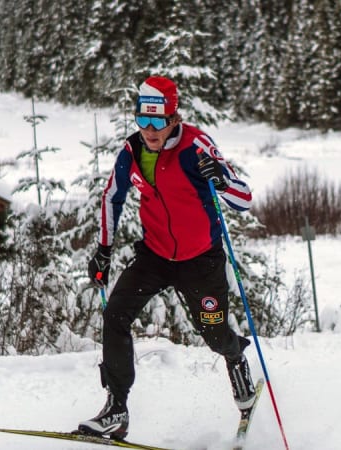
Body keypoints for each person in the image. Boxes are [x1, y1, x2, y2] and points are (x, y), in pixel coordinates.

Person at [78, 76, 256, 439]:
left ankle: (236, 356)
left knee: (215, 335)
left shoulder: (196, 146)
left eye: (158, 121)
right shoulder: (132, 152)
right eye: (143, 121)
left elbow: (243, 199)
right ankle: (116, 408)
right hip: (155, 255)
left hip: (200, 259)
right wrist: (104, 250)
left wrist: (219, 179)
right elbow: (112, 197)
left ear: (174, 119)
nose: (150, 130)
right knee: (115, 315)